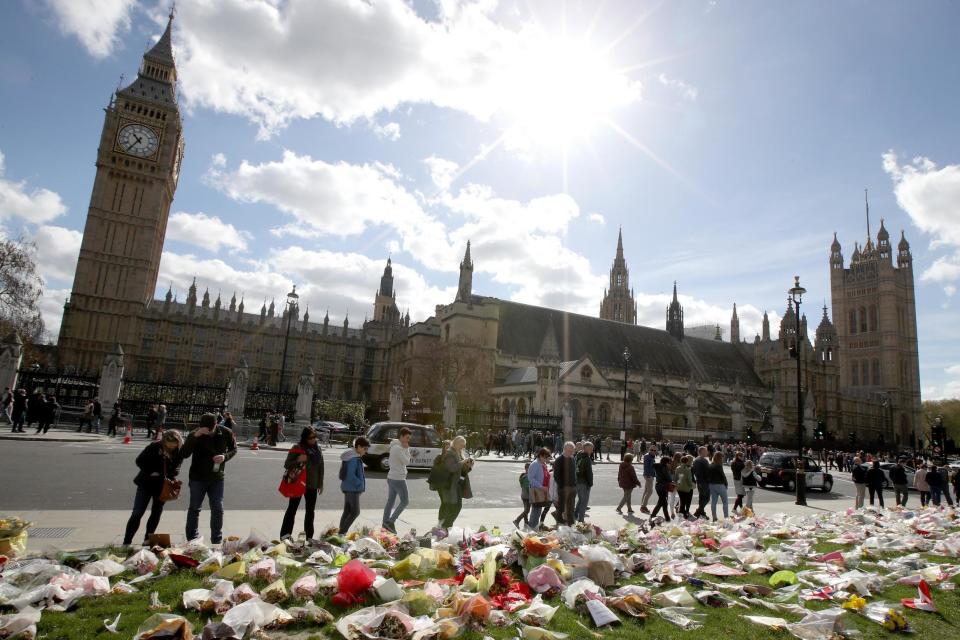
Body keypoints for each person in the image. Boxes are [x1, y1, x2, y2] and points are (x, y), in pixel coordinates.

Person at [182, 413, 238, 543]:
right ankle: (192, 539)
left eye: (209, 430)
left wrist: (225, 457)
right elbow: (184, 454)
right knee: (194, 508)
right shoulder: (195, 433)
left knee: (218, 509)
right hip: (197, 477)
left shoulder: (226, 432)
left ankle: (216, 540)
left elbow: (234, 449)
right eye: (204, 429)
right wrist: (195, 436)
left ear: (215, 425)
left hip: (217, 478)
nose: (206, 432)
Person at [122, 430, 184, 546]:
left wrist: (171, 472)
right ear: (164, 440)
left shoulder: (179, 452)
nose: (171, 445)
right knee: (137, 512)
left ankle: (148, 539)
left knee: (156, 513)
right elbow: (139, 461)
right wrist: (152, 471)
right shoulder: (155, 447)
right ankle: (126, 542)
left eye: (174, 443)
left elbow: (177, 469)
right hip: (146, 483)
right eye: (168, 442)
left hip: (162, 486)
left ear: (178, 442)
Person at [280, 426, 324, 540]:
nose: (313, 439)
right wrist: (298, 460)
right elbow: (287, 464)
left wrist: (320, 483)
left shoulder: (317, 449)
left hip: (312, 484)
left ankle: (309, 537)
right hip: (298, 484)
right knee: (292, 509)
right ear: (305, 438)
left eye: (315, 437)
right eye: (310, 438)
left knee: (310, 512)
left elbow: (321, 467)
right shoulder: (297, 447)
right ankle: (285, 535)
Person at [382, 426, 415, 534]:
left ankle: (385, 523)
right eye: (406, 438)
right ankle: (391, 521)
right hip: (398, 478)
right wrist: (407, 449)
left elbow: (406, 460)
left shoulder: (396, 446)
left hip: (392, 477)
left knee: (390, 501)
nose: (407, 440)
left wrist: (406, 448)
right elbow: (407, 461)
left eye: (409, 438)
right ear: (401, 436)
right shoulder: (398, 448)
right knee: (405, 501)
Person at [437, 436, 473, 529]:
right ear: (456, 443)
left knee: (456, 506)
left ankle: (447, 525)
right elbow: (451, 468)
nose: (462, 447)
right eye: (461, 445)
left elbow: (462, 471)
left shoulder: (459, 452)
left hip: (457, 484)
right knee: (455, 506)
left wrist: (469, 466)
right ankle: (446, 525)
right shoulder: (450, 453)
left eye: (464, 446)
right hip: (450, 484)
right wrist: (463, 462)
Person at [338, 436, 368, 534]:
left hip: (348, 488)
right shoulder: (353, 459)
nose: (365, 451)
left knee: (347, 511)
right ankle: (342, 533)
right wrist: (360, 484)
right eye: (364, 448)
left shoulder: (352, 456)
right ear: (358, 447)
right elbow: (350, 475)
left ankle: (341, 533)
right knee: (355, 512)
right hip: (352, 489)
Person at [552, 441, 577, 525]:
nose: (572, 452)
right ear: (565, 449)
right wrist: (563, 486)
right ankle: (559, 523)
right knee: (561, 507)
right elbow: (556, 476)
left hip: (572, 487)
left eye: (573, 450)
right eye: (570, 450)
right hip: (563, 488)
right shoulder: (559, 460)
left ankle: (571, 525)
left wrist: (574, 484)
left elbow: (574, 473)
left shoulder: (572, 459)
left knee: (570, 508)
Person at [527, 448, 552, 530]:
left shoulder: (542, 464)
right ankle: (530, 530)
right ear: (541, 456)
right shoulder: (535, 464)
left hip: (542, 490)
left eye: (547, 457)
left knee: (538, 512)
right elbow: (530, 478)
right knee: (535, 512)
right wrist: (541, 487)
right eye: (545, 457)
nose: (547, 459)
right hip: (536, 490)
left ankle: (534, 529)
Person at [649, 455, 674, 523]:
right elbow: (669, 478)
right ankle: (653, 517)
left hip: (660, 487)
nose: (671, 464)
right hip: (662, 487)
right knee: (662, 503)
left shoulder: (660, 467)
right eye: (670, 463)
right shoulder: (664, 468)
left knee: (663, 503)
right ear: (666, 463)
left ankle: (666, 518)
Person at [574, 441, 594, 523]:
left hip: (576, 481)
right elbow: (589, 473)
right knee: (584, 502)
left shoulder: (578, 455)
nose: (592, 451)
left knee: (580, 500)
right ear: (587, 449)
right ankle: (581, 519)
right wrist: (590, 483)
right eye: (591, 449)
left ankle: (575, 514)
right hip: (584, 482)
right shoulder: (587, 459)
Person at [708, 451, 729, 521]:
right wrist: (726, 484)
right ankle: (726, 517)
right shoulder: (719, 466)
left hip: (711, 485)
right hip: (720, 485)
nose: (723, 459)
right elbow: (723, 476)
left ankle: (714, 517)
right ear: (720, 458)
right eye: (722, 457)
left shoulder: (710, 465)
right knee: (725, 502)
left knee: (713, 502)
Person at [692, 446, 711, 519]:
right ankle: (699, 511)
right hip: (704, 482)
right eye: (706, 451)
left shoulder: (696, 460)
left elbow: (693, 470)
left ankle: (702, 513)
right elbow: (708, 472)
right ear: (702, 452)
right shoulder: (704, 461)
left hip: (699, 481)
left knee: (702, 498)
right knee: (706, 498)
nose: (707, 452)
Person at [513, 462, 532, 529]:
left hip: (523, 495)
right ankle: (517, 520)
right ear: (527, 468)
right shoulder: (527, 477)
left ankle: (526, 523)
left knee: (525, 510)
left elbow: (522, 486)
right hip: (527, 496)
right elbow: (527, 488)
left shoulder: (523, 476)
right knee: (527, 510)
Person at [640, 445, 657, 514]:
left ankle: (643, 505)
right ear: (649, 450)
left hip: (650, 475)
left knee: (646, 490)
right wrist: (648, 475)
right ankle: (643, 507)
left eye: (654, 450)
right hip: (648, 475)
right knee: (649, 491)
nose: (653, 451)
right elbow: (646, 467)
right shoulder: (647, 456)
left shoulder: (651, 456)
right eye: (652, 450)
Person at [675, 454, 694, 519]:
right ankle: (684, 514)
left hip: (679, 486)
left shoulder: (677, 468)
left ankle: (681, 513)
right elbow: (689, 480)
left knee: (682, 501)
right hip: (686, 488)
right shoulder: (688, 469)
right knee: (685, 501)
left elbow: (676, 478)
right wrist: (692, 485)